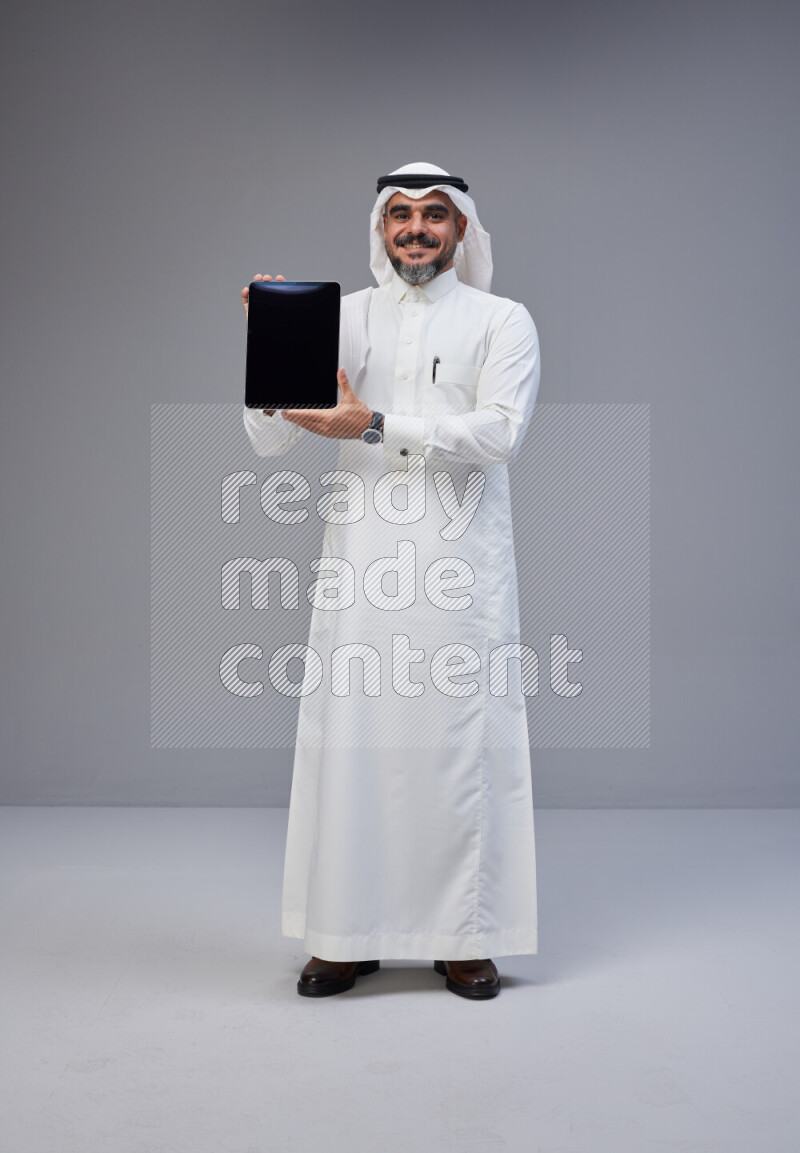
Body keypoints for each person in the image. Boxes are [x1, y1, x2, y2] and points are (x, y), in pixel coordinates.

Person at [241, 162, 541, 1000]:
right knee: (356, 747)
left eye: (434, 215)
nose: (415, 228)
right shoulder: (343, 319)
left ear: (461, 230)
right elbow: (271, 442)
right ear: (380, 229)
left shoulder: (502, 320)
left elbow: (499, 434)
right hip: (362, 567)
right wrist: (270, 344)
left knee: (456, 750)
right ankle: (345, 933)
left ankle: (465, 936)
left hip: (459, 575)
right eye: (400, 214)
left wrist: (370, 422)